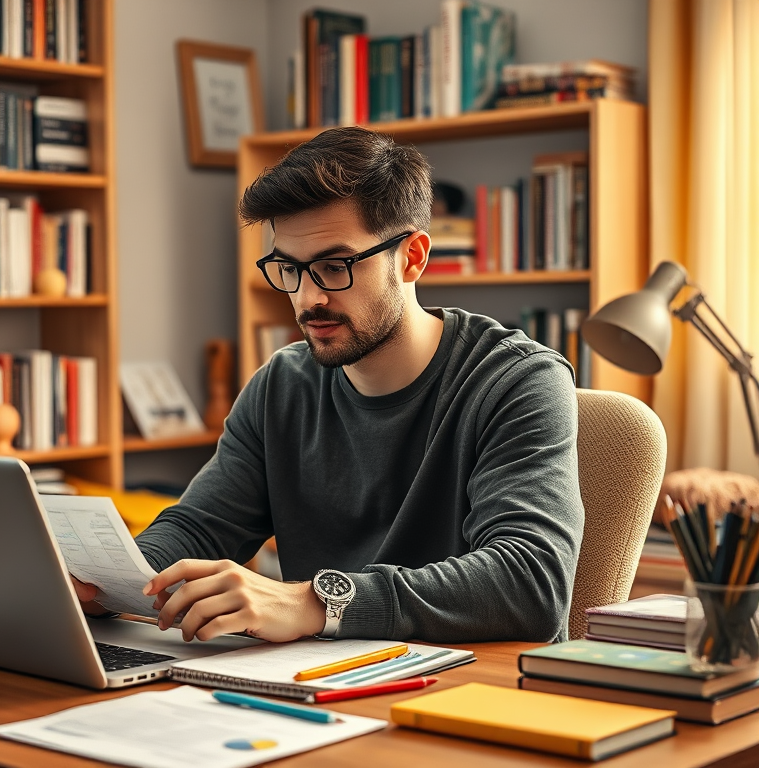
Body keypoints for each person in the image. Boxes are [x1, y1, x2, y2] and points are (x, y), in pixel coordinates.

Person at [75, 126, 584, 645]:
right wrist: (103, 581)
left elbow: (531, 584)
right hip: (319, 684)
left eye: (334, 267)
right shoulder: (282, 385)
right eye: (289, 270)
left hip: (471, 690)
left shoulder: (517, 382)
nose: (307, 298)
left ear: (412, 256)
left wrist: (314, 601)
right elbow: (200, 527)